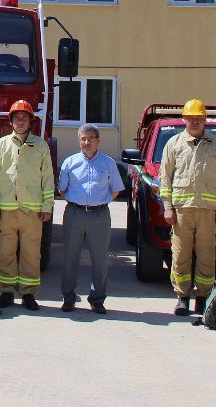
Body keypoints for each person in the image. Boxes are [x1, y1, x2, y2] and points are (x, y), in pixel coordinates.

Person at [159, 99, 216, 316]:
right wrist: (167, 207)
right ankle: (182, 297)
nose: (195, 121)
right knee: (180, 255)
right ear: (184, 119)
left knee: (207, 255)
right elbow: (165, 178)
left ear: (204, 119)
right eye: (191, 118)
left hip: (208, 211)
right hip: (182, 211)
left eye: (198, 118)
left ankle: (202, 296)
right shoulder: (174, 144)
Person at [0, 101, 55, 311]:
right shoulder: (1, 146)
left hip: (32, 211)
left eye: (24, 118)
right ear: (11, 121)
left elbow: (47, 178)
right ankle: (6, 291)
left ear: (31, 122)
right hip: (6, 210)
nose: (20, 121)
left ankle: (28, 293)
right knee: (5, 252)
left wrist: (47, 206)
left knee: (31, 253)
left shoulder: (41, 146)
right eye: (16, 118)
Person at [56, 123, 123, 313]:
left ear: (98, 141)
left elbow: (116, 190)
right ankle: (68, 297)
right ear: (79, 141)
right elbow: (62, 189)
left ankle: (97, 299)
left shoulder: (108, 163)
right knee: (70, 257)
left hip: (100, 215)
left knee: (100, 259)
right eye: (83, 139)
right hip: (75, 214)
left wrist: (98, 203)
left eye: (90, 138)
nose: (87, 142)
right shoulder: (70, 163)